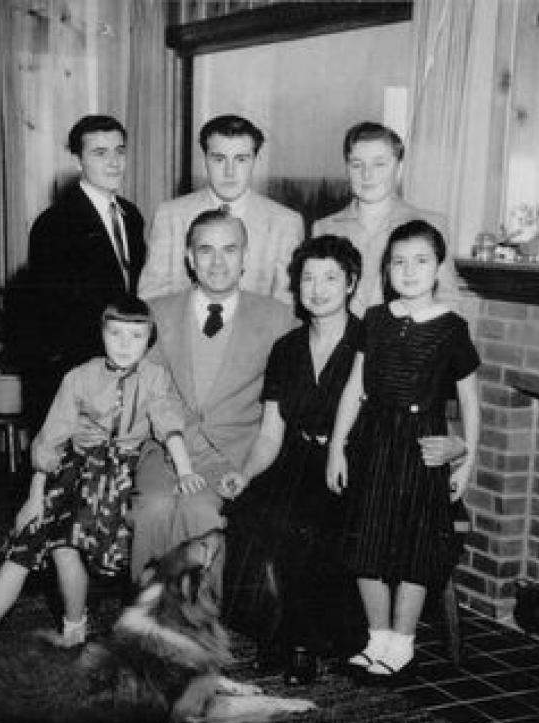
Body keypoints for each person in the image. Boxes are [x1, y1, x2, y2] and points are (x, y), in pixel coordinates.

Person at [0, 297, 204, 673]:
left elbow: (168, 425)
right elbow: (51, 440)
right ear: (102, 334)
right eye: (116, 333)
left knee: (70, 543)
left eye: (136, 335)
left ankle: (75, 633)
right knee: (30, 542)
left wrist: (185, 470)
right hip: (72, 471)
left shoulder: (155, 377)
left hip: (120, 477)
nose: (125, 344)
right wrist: (35, 496)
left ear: (150, 340)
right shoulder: (79, 377)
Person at [326, 219, 480, 682]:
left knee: (415, 550)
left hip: (423, 448)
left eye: (420, 261)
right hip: (373, 442)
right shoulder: (374, 320)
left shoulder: (452, 329)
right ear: (386, 269)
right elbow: (354, 388)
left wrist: (465, 459)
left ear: (438, 268)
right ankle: (377, 638)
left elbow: (470, 402)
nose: (409, 271)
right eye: (398, 262)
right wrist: (337, 448)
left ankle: (403, 643)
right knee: (366, 544)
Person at [218, 235, 366, 684]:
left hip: (351, 463)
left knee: (308, 520)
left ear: (351, 283)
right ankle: (276, 626)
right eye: (308, 278)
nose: (317, 289)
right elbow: (270, 433)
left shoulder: (368, 341)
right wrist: (245, 473)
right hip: (297, 455)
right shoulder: (286, 348)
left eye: (330, 278)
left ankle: (300, 642)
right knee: (250, 509)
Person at [131, 208, 296, 581]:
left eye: (229, 250)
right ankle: (147, 608)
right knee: (152, 510)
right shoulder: (158, 312)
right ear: (190, 258)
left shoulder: (278, 318)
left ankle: (197, 611)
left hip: (232, 454)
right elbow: (150, 393)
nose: (218, 262)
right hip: (167, 450)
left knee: (200, 512)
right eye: (206, 250)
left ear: (244, 257)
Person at [9, 114, 147, 433]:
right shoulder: (54, 224)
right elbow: (53, 316)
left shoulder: (131, 216)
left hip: (125, 364)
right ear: (78, 160)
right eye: (100, 153)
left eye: (120, 151)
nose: (114, 163)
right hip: (79, 372)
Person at [139, 115, 304, 305]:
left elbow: (286, 307)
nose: (229, 172)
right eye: (219, 159)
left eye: (241, 159)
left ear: (255, 160)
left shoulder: (285, 223)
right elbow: (151, 300)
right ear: (205, 159)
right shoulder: (170, 216)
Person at [312, 122, 449, 313]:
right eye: (357, 165)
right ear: (347, 169)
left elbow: (448, 300)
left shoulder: (430, 224)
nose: (367, 175)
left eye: (379, 164)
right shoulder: (325, 228)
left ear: (398, 167)